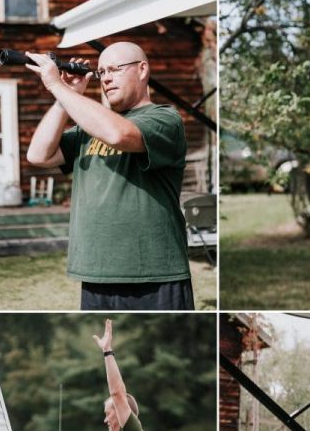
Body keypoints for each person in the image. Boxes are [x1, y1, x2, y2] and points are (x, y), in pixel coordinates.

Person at [26, 41, 193, 311]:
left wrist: (55, 84)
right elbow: (38, 155)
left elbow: (118, 135)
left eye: (115, 69)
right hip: (97, 272)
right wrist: (65, 96)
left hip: (154, 273)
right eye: (102, 72)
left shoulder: (164, 118)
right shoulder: (88, 129)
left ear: (142, 70)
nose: (106, 78)